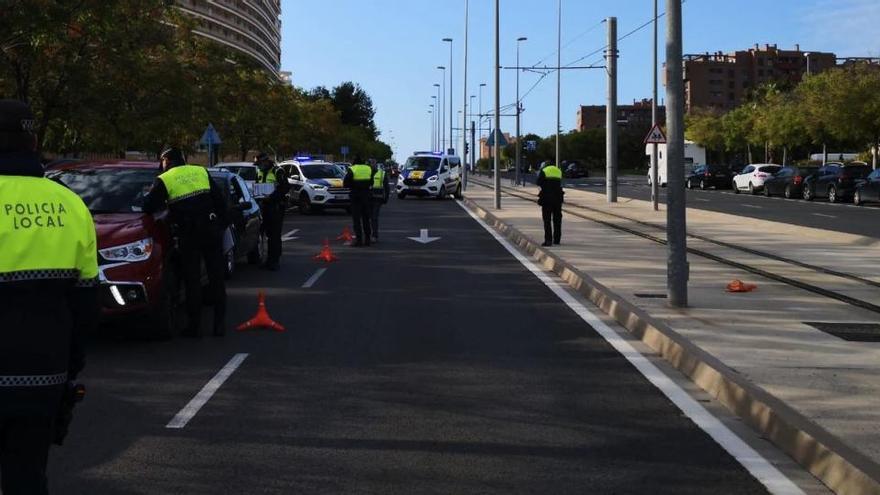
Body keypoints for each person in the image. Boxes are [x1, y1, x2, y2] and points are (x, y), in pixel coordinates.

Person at [0, 100, 99, 494]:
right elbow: (87, 307)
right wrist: (69, 368)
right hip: (42, 373)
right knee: (27, 477)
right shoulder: (71, 206)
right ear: (34, 141)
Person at [144, 147, 228, 337]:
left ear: (168, 160)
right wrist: (221, 224)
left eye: (162, 160)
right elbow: (219, 200)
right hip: (211, 230)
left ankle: (194, 326)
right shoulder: (200, 170)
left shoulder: (165, 179)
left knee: (192, 281)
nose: (161, 164)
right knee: (216, 278)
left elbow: (148, 206)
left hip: (189, 235)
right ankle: (219, 325)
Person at [253, 153, 289, 271]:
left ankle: (275, 261)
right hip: (264, 207)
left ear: (266, 162)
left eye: (260, 164)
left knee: (274, 235)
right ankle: (268, 260)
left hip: (276, 207)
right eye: (257, 165)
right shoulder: (259, 172)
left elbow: (284, 188)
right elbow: (257, 186)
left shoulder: (278, 171)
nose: (259, 167)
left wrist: (272, 197)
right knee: (267, 234)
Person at [343, 157, 374, 247]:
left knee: (356, 219)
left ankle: (359, 240)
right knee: (366, 219)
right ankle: (367, 240)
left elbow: (346, 183)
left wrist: (354, 185)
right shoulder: (368, 168)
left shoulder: (353, 169)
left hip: (356, 196)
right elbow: (372, 181)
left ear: (354, 162)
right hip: (367, 195)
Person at [536, 162, 564, 247]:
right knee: (557, 219)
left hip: (547, 199)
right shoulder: (558, 171)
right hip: (558, 198)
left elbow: (538, 182)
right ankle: (557, 239)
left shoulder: (544, 171)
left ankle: (548, 240)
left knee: (547, 220)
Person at [369, 161, 389, 243]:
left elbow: (386, 187)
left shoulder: (382, 173)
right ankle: (368, 235)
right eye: (371, 163)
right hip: (367, 198)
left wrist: (386, 198)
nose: (372, 165)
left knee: (374, 217)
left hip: (377, 198)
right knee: (368, 217)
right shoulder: (365, 173)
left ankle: (374, 235)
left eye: (373, 163)